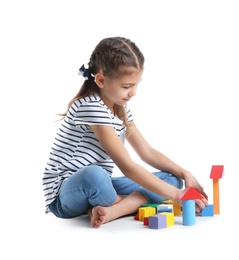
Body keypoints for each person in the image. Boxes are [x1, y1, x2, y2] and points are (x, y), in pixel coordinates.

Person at [43, 36, 208, 228]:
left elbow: (147, 152)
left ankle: (112, 209)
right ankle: (123, 201)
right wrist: (175, 196)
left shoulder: (119, 108)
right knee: (94, 176)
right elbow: (127, 167)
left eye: (136, 84)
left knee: (172, 179)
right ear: (101, 80)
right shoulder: (90, 107)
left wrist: (185, 173)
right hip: (66, 194)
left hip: (102, 186)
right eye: (127, 86)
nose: (134, 92)